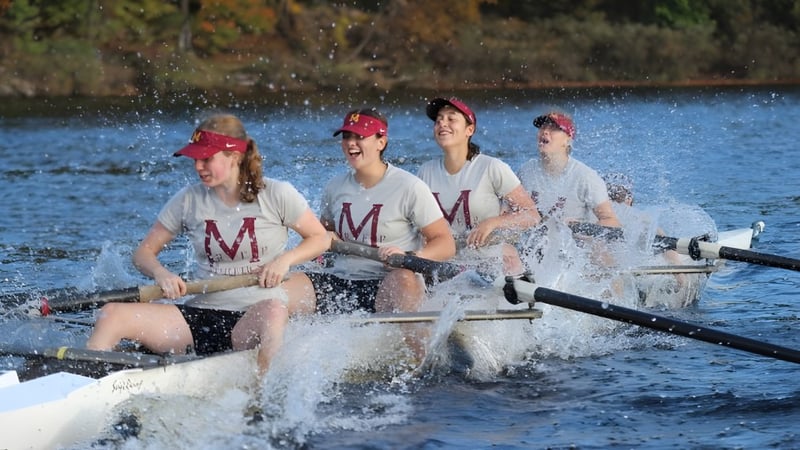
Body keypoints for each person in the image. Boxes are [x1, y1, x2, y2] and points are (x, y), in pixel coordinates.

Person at [86, 114, 330, 373]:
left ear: (234, 156)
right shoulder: (188, 200)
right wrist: (162, 273)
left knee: (274, 309)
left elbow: (320, 238)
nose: (198, 166)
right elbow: (144, 253)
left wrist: (285, 261)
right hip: (200, 315)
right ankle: (84, 384)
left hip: (254, 316)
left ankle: (263, 398)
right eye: (195, 159)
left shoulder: (277, 194)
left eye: (207, 159)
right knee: (112, 314)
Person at [307, 107, 456, 356]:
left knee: (404, 278)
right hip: (340, 281)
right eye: (346, 137)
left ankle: (424, 360)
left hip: (388, 282)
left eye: (359, 137)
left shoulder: (410, 187)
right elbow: (322, 236)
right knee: (285, 289)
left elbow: (445, 244)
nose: (351, 144)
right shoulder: (334, 187)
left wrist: (410, 254)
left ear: (381, 142)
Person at [417, 97, 541, 277]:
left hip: (490, 259)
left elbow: (532, 215)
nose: (442, 123)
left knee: (508, 257)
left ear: (470, 129)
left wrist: (492, 222)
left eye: (451, 119)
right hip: (446, 261)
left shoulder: (492, 167)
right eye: (438, 120)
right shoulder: (425, 172)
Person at [517, 111, 621, 228]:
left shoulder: (585, 176)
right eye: (543, 127)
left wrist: (581, 229)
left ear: (568, 140)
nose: (545, 131)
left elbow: (611, 221)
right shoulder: (526, 171)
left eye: (554, 128)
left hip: (572, 244)